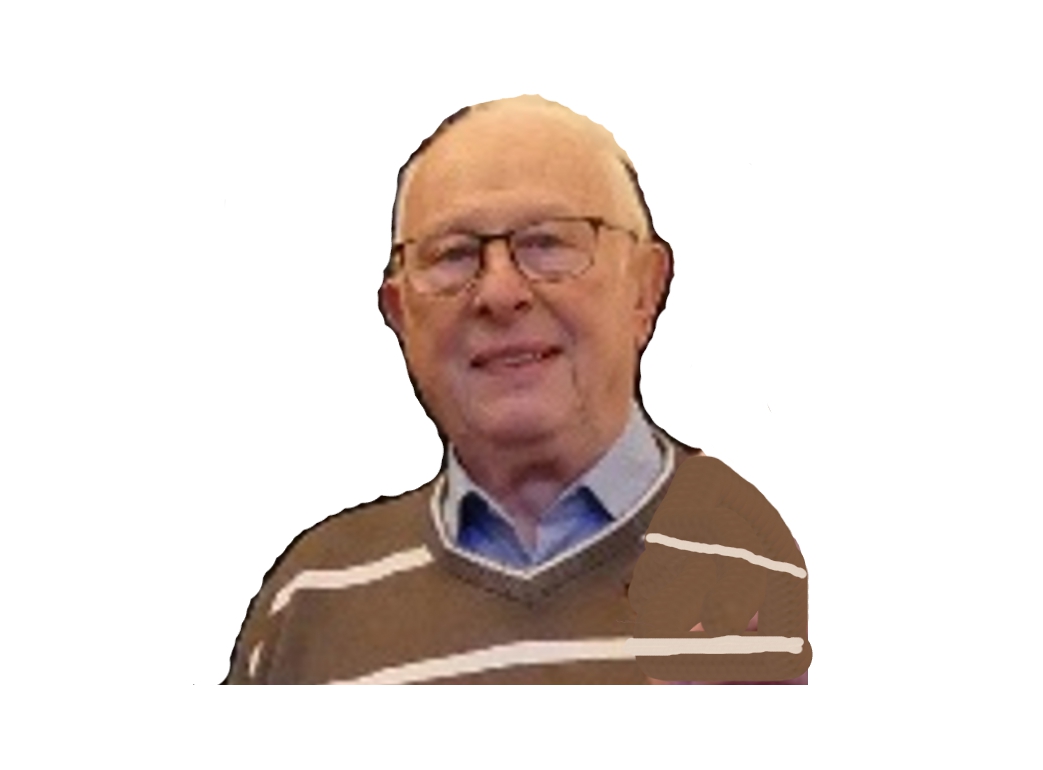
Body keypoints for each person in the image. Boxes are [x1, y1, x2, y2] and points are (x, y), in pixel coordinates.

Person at [224, 95, 809, 684]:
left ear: (646, 288)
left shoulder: (786, 572)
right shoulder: (310, 606)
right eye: (453, 256)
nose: (500, 294)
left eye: (547, 244)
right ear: (399, 314)